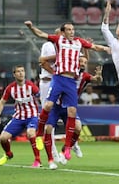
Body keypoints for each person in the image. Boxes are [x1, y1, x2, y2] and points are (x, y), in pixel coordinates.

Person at [24, 20, 108, 161]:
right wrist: (31, 27)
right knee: (48, 105)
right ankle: (39, 134)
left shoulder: (78, 42)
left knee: (72, 112)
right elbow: (41, 34)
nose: (71, 32)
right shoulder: (58, 40)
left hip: (70, 81)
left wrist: (107, 49)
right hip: (58, 78)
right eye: (68, 29)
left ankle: (68, 147)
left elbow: (93, 47)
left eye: (73, 29)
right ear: (63, 32)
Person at [43, 55, 103, 167]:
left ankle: (66, 149)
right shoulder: (65, 73)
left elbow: (97, 81)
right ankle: (50, 159)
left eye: (85, 62)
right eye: (80, 61)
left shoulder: (84, 76)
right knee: (48, 129)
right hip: (56, 106)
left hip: (69, 107)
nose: (83, 64)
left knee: (78, 127)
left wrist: (99, 76)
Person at [0, 65, 42, 168]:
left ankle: (38, 160)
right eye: (18, 71)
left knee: (30, 133)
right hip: (18, 117)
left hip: (32, 115)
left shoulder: (31, 86)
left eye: (22, 71)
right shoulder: (10, 88)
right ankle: (8, 154)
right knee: (3, 138)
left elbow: (41, 97)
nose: (21, 73)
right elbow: (2, 102)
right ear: (14, 74)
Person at [38, 27, 61, 162]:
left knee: (65, 111)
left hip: (61, 82)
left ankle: (72, 144)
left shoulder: (66, 46)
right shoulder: (48, 45)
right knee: (48, 116)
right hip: (47, 82)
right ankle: (52, 150)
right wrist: (55, 74)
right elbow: (42, 61)